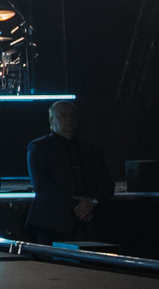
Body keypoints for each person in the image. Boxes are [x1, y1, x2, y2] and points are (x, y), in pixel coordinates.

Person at [25, 99, 114, 241]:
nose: (70, 119)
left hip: (89, 225)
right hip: (53, 225)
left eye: (73, 115)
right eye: (63, 115)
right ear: (51, 120)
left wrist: (92, 202)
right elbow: (42, 185)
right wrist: (81, 206)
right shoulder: (39, 147)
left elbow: (107, 185)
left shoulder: (92, 150)